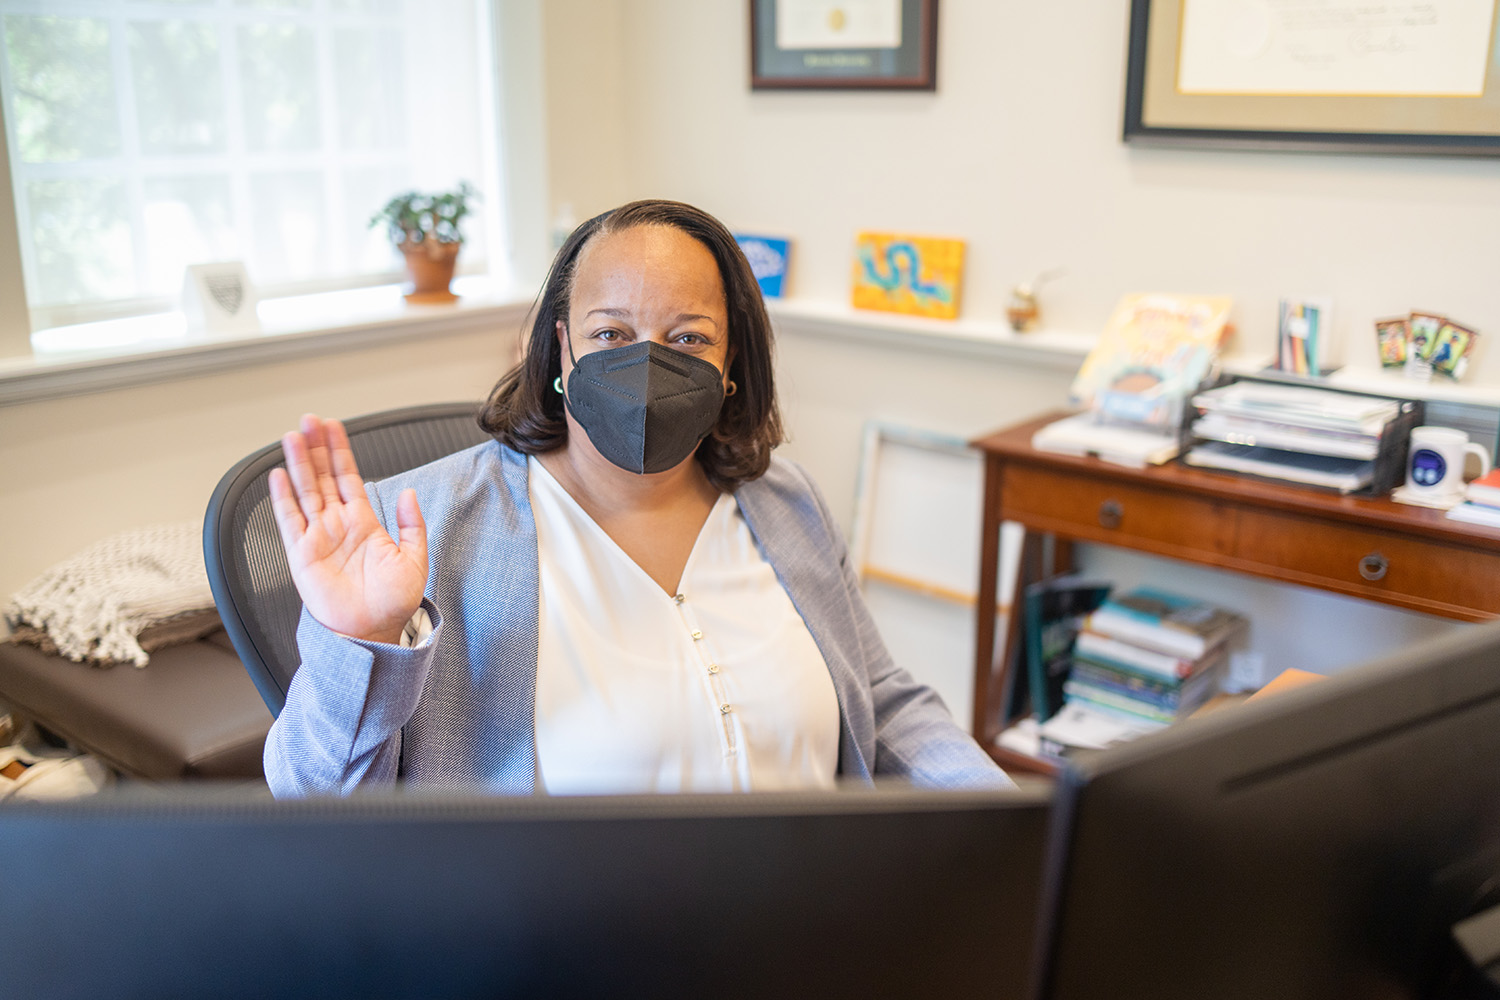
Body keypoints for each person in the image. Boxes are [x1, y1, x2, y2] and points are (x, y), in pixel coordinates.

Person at [264, 199, 1010, 796]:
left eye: (687, 340)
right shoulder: (427, 531)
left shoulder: (786, 502)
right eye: (611, 331)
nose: (646, 364)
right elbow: (313, 803)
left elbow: (879, 700)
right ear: (562, 349)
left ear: (731, 364)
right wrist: (361, 645)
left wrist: (1004, 816)